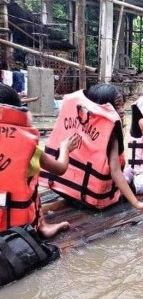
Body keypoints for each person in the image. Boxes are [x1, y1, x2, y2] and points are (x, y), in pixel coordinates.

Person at [39, 84, 143, 212]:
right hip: (96, 197)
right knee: (138, 180)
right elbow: (115, 171)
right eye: (117, 106)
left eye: (122, 105)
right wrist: (137, 203)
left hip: (67, 189)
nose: (122, 110)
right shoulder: (111, 132)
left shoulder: (78, 118)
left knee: (128, 172)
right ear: (104, 106)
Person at [0, 83, 78, 238]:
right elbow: (60, 168)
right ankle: (41, 225)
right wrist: (65, 148)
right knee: (30, 181)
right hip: (18, 232)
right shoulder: (27, 146)